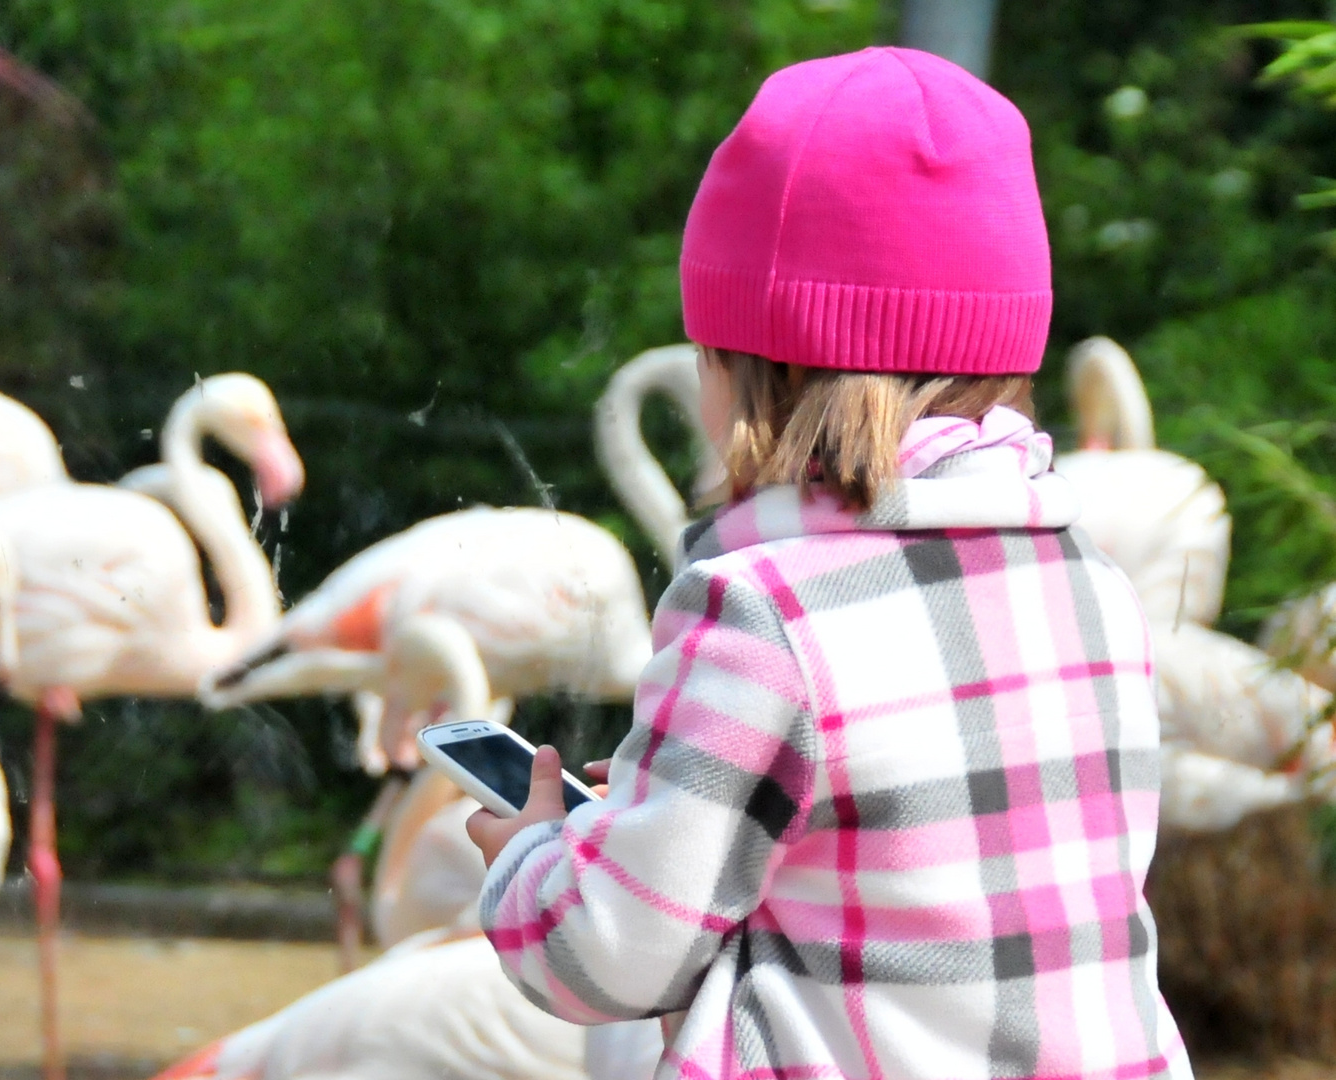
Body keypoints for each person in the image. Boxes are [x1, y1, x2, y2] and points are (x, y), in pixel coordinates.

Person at [466, 46, 1194, 1080]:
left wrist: (534, 857)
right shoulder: (1092, 586)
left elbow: (609, 962)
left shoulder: (758, 611)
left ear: (738, 370)